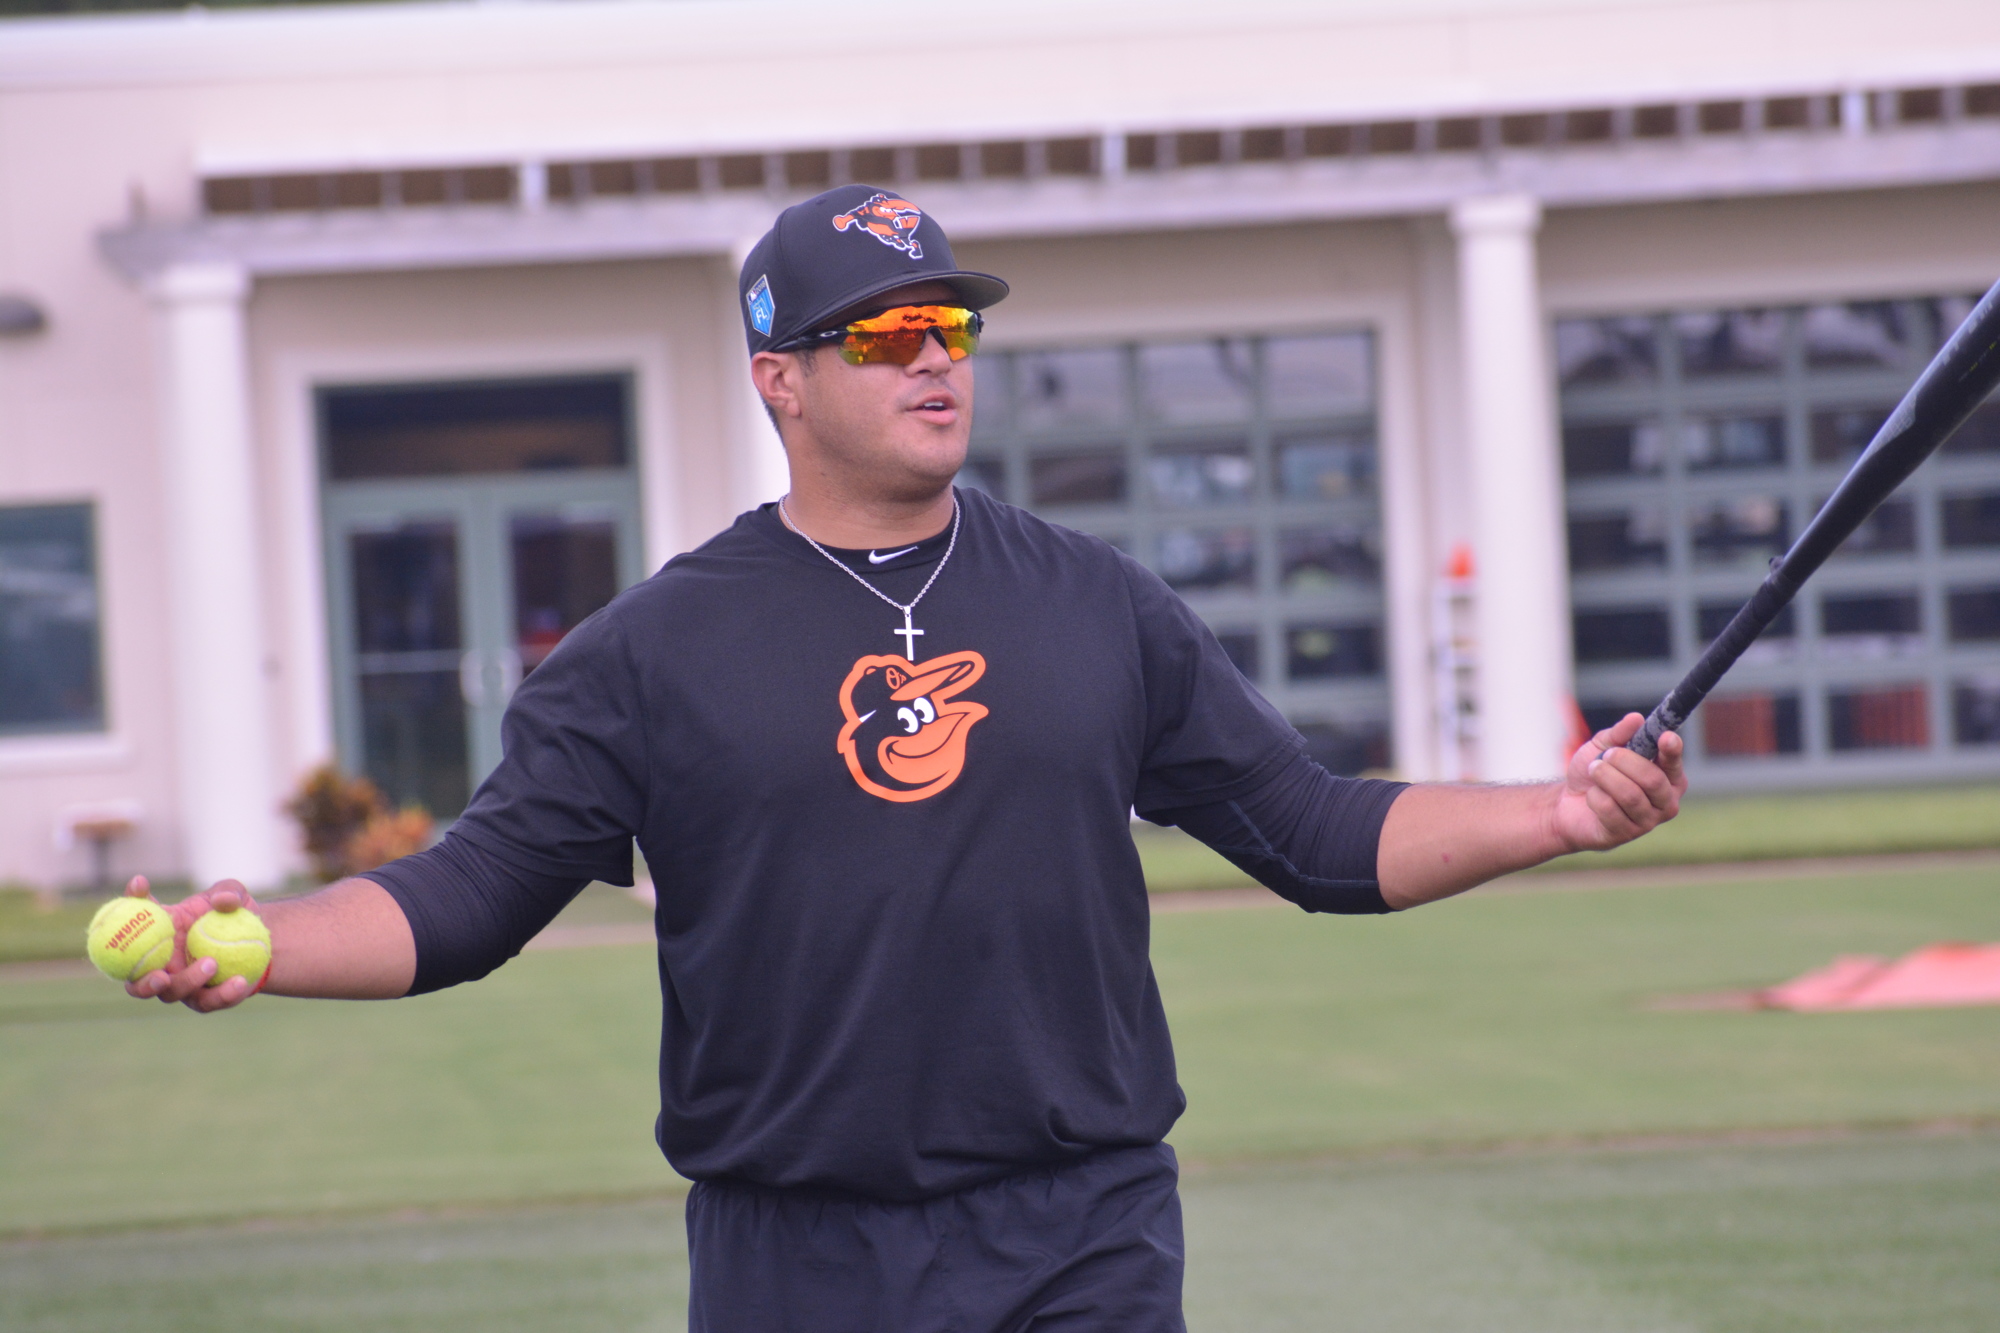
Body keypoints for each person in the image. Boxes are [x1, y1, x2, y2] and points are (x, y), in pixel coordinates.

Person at [123, 184, 1685, 1331]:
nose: (939, 361)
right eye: (888, 336)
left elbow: (1318, 834)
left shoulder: (1099, 602)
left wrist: (1552, 811)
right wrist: (259, 946)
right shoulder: (651, 652)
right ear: (779, 379)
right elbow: (466, 900)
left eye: (954, 327)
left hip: (1086, 1229)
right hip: (799, 1258)